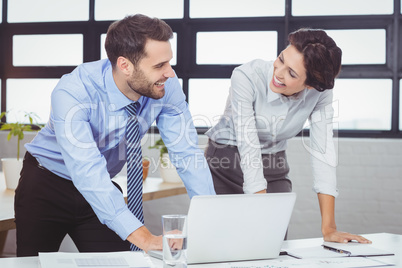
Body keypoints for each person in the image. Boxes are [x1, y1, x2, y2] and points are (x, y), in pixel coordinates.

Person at [14, 14, 215, 257]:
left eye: (168, 62)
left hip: (101, 187)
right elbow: (86, 168)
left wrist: (209, 219)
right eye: (159, 65)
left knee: (120, 262)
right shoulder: (73, 92)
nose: (170, 73)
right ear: (125, 65)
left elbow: (187, 152)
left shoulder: (165, 86)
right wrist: (145, 237)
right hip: (46, 184)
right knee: (32, 263)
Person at [205, 28, 371, 244]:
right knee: (220, 244)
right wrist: (260, 209)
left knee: (270, 245)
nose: (279, 72)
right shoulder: (246, 76)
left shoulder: (320, 94)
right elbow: (249, 144)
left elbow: (323, 152)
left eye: (292, 73)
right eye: (281, 59)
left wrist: (329, 228)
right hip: (224, 163)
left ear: (311, 84)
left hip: (274, 164)